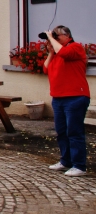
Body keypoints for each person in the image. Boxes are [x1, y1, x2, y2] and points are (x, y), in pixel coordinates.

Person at [43, 25, 91, 177]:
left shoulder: (75, 48)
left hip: (75, 97)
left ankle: (79, 165)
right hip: (58, 98)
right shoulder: (58, 53)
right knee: (61, 132)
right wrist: (50, 52)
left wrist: (51, 37)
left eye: (57, 36)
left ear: (67, 36)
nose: (54, 39)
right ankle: (66, 161)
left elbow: (64, 53)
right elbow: (45, 69)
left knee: (74, 132)